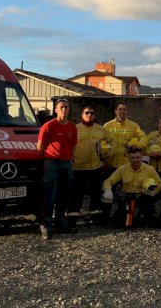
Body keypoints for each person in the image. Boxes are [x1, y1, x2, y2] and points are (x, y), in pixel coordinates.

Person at [36, 98, 77, 239]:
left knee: (64, 196)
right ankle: (46, 227)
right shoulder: (48, 126)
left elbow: (72, 146)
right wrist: (50, 159)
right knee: (49, 195)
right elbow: (40, 148)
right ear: (56, 110)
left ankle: (61, 224)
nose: (64, 109)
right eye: (61, 107)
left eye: (66, 107)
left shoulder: (72, 127)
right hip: (52, 163)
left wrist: (69, 160)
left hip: (67, 164)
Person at [70, 105, 115, 228]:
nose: (89, 115)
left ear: (94, 116)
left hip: (96, 167)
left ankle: (96, 220)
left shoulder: (100, 129)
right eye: (86, 113)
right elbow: (68, 145)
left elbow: (112, 140)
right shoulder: (75, 129)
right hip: (79, 168)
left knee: (95, 194)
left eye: (92, 113)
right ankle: (72, 220)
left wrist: (108, 153)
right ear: (82, 115)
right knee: (76, 194)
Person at [102, 147, 161, 227]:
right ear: (129, 158)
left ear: (141, 157)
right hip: (126, 198)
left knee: (144, 220)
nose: (135, 160)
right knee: (117, 223)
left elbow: (160, 183)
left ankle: (143, 216)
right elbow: (109, 181)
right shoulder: (122, 169)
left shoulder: (149, 169)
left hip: (142, 197)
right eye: (132, 158)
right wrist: (107, 190)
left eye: (137, 157)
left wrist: (153, 192)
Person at [103, 102, 145, 172]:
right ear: (116, 111)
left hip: (126, 164)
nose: (122, 111)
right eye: (120, 109)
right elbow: (101, 141)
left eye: (124, 109)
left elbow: (143, 137)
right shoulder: (107, 126)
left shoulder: (133, 126)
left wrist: (137, 145)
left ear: (127, 112)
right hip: (111, 164)